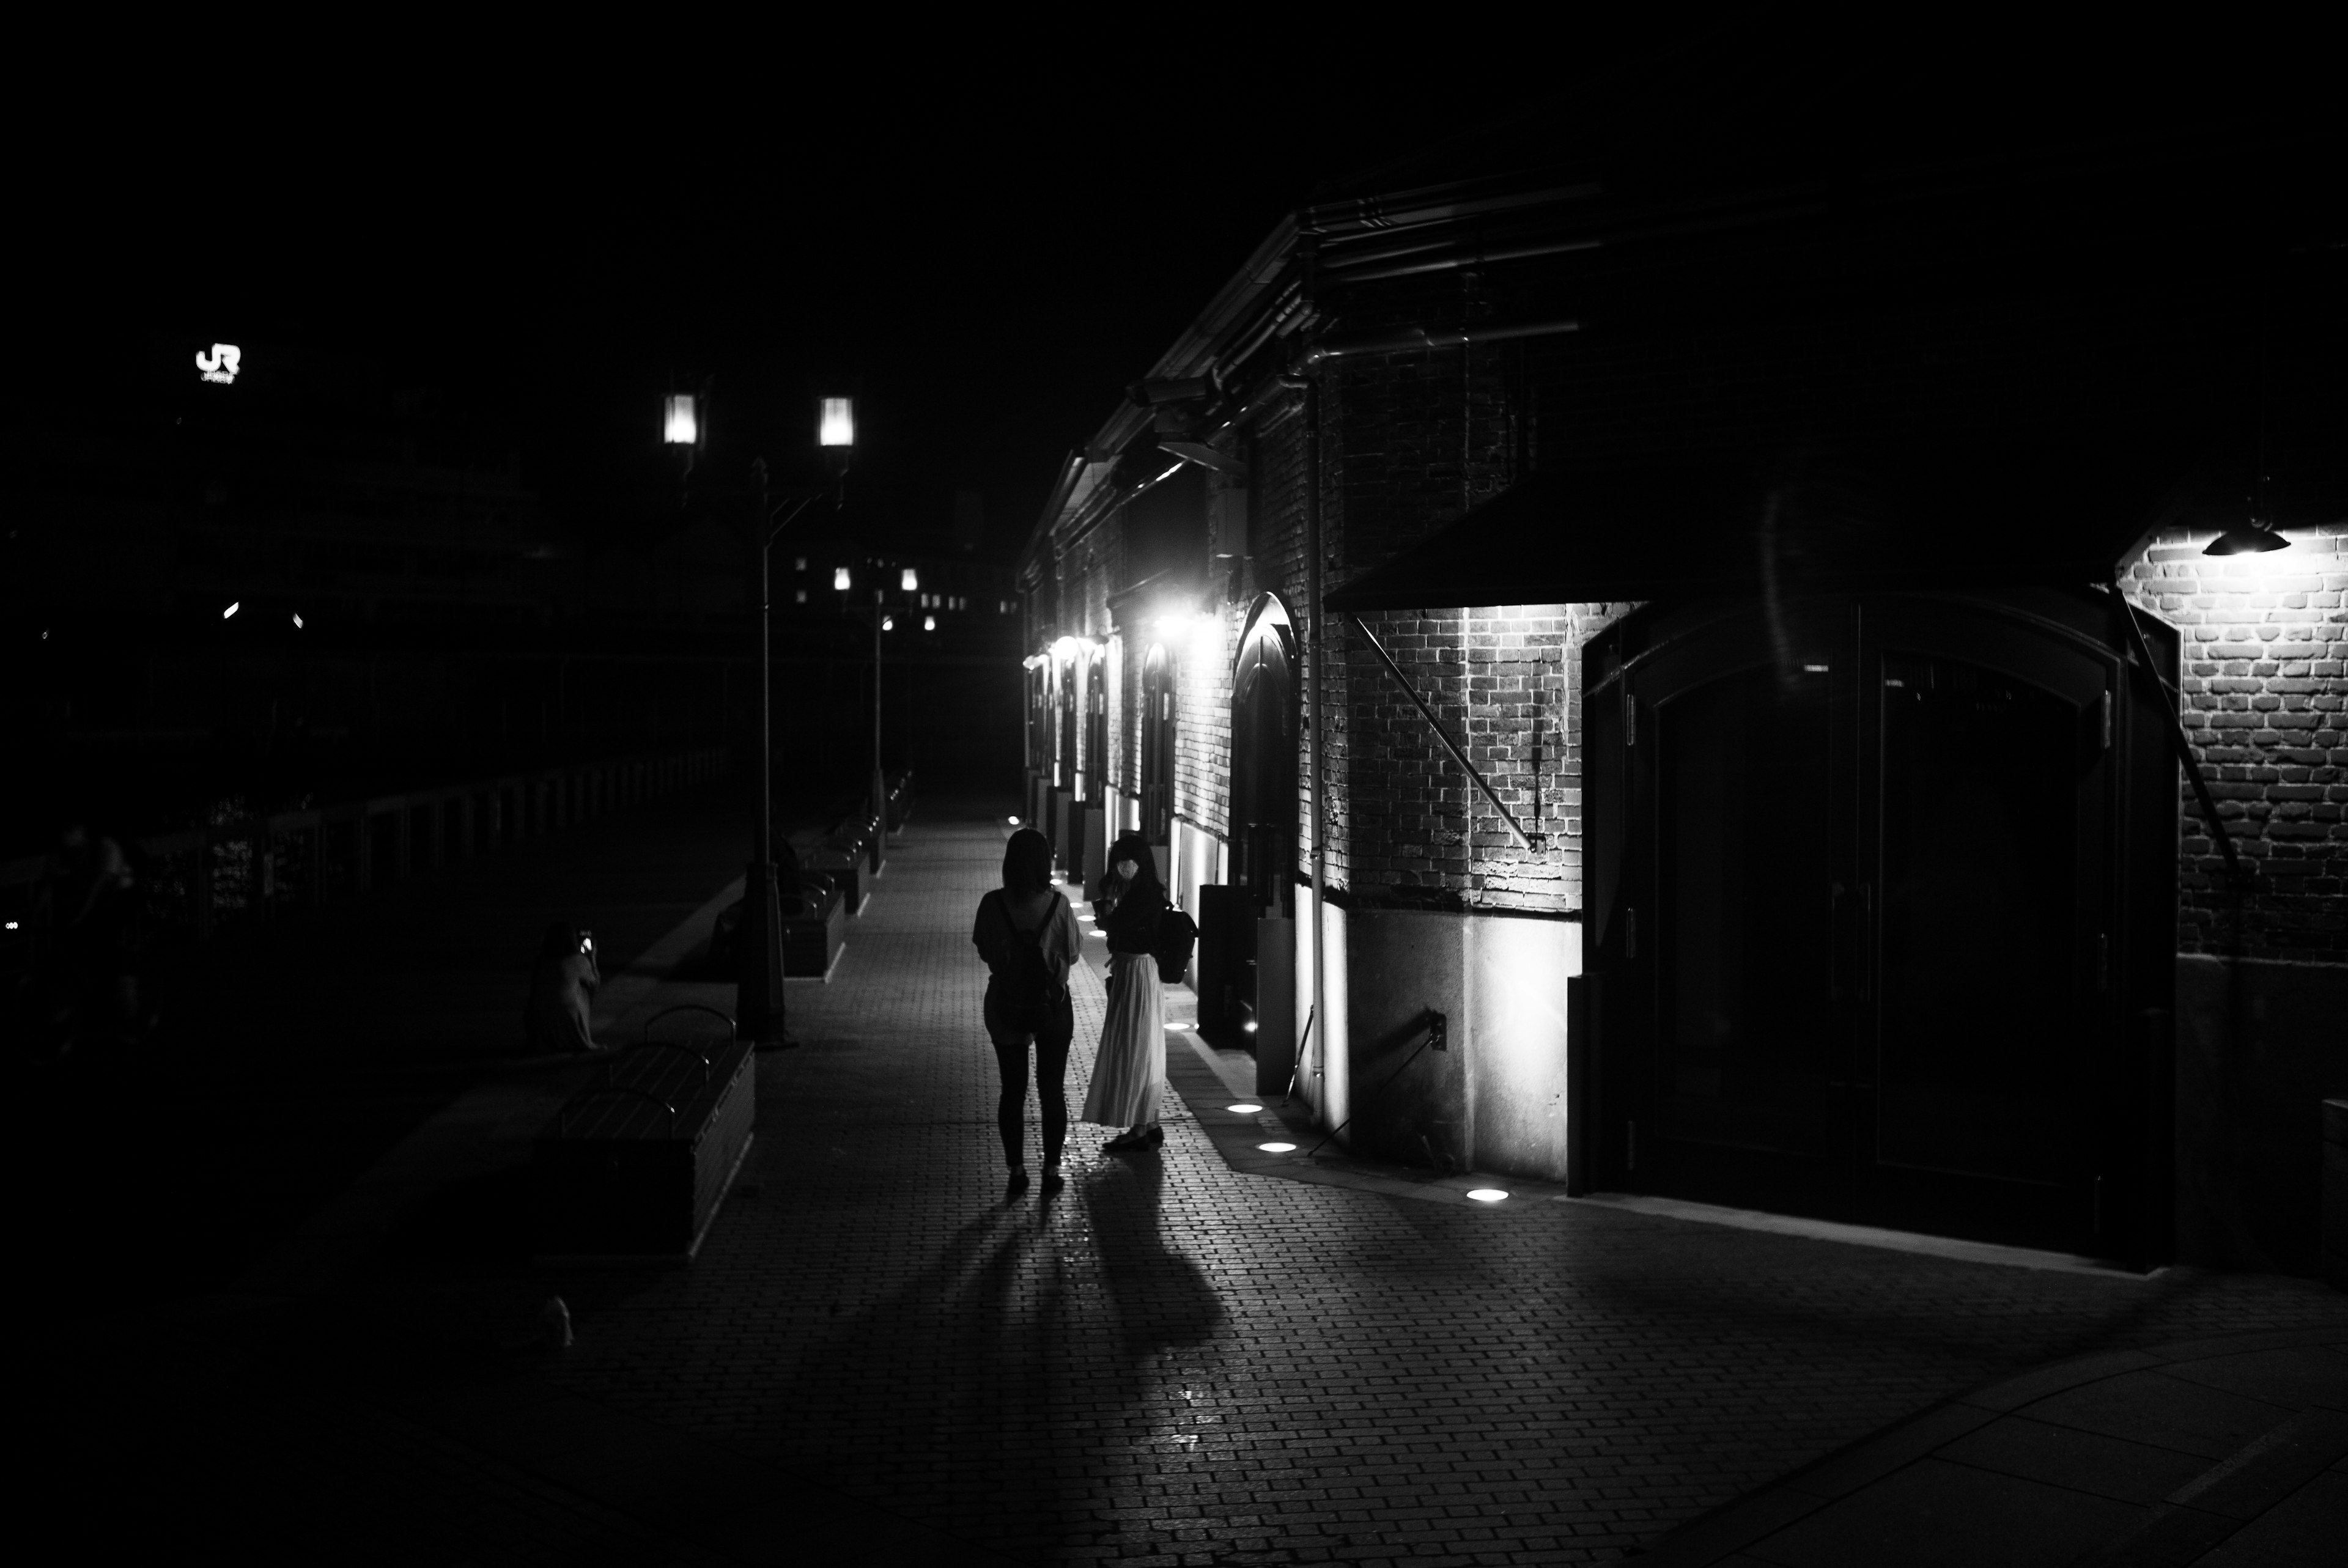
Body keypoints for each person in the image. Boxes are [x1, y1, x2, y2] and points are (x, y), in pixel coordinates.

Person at [972, 826, 1082, 1193]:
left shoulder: (993, 904)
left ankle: (1017, 1172)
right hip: (1053, 1006)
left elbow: (985, 950)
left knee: (1012, 1090)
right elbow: (1075, 953)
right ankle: (1052, 1171)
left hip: (1005, 1006)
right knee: (1052, 1090)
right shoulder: (1059, 905)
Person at [1081, 832, 1167, 1152]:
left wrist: (1107, 906)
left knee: (1134, 1046)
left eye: (1126, 861)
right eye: (1117, 862)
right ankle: (1150, 1121)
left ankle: (1140, 1126)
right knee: (1140, 1045)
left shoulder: (1143, 895)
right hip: (1134, 970)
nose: (1121, 867)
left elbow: (1112, 926)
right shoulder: (1140, 892)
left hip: (1137, 971)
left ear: (1139, 862)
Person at [525, 921, 602, 1053]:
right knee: (584, 990)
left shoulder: (541, 962)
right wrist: (591, 958)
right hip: (565, 1018)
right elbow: (595, 983)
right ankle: (582, 1037)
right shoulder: (578, 960)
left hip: (537, 1020)